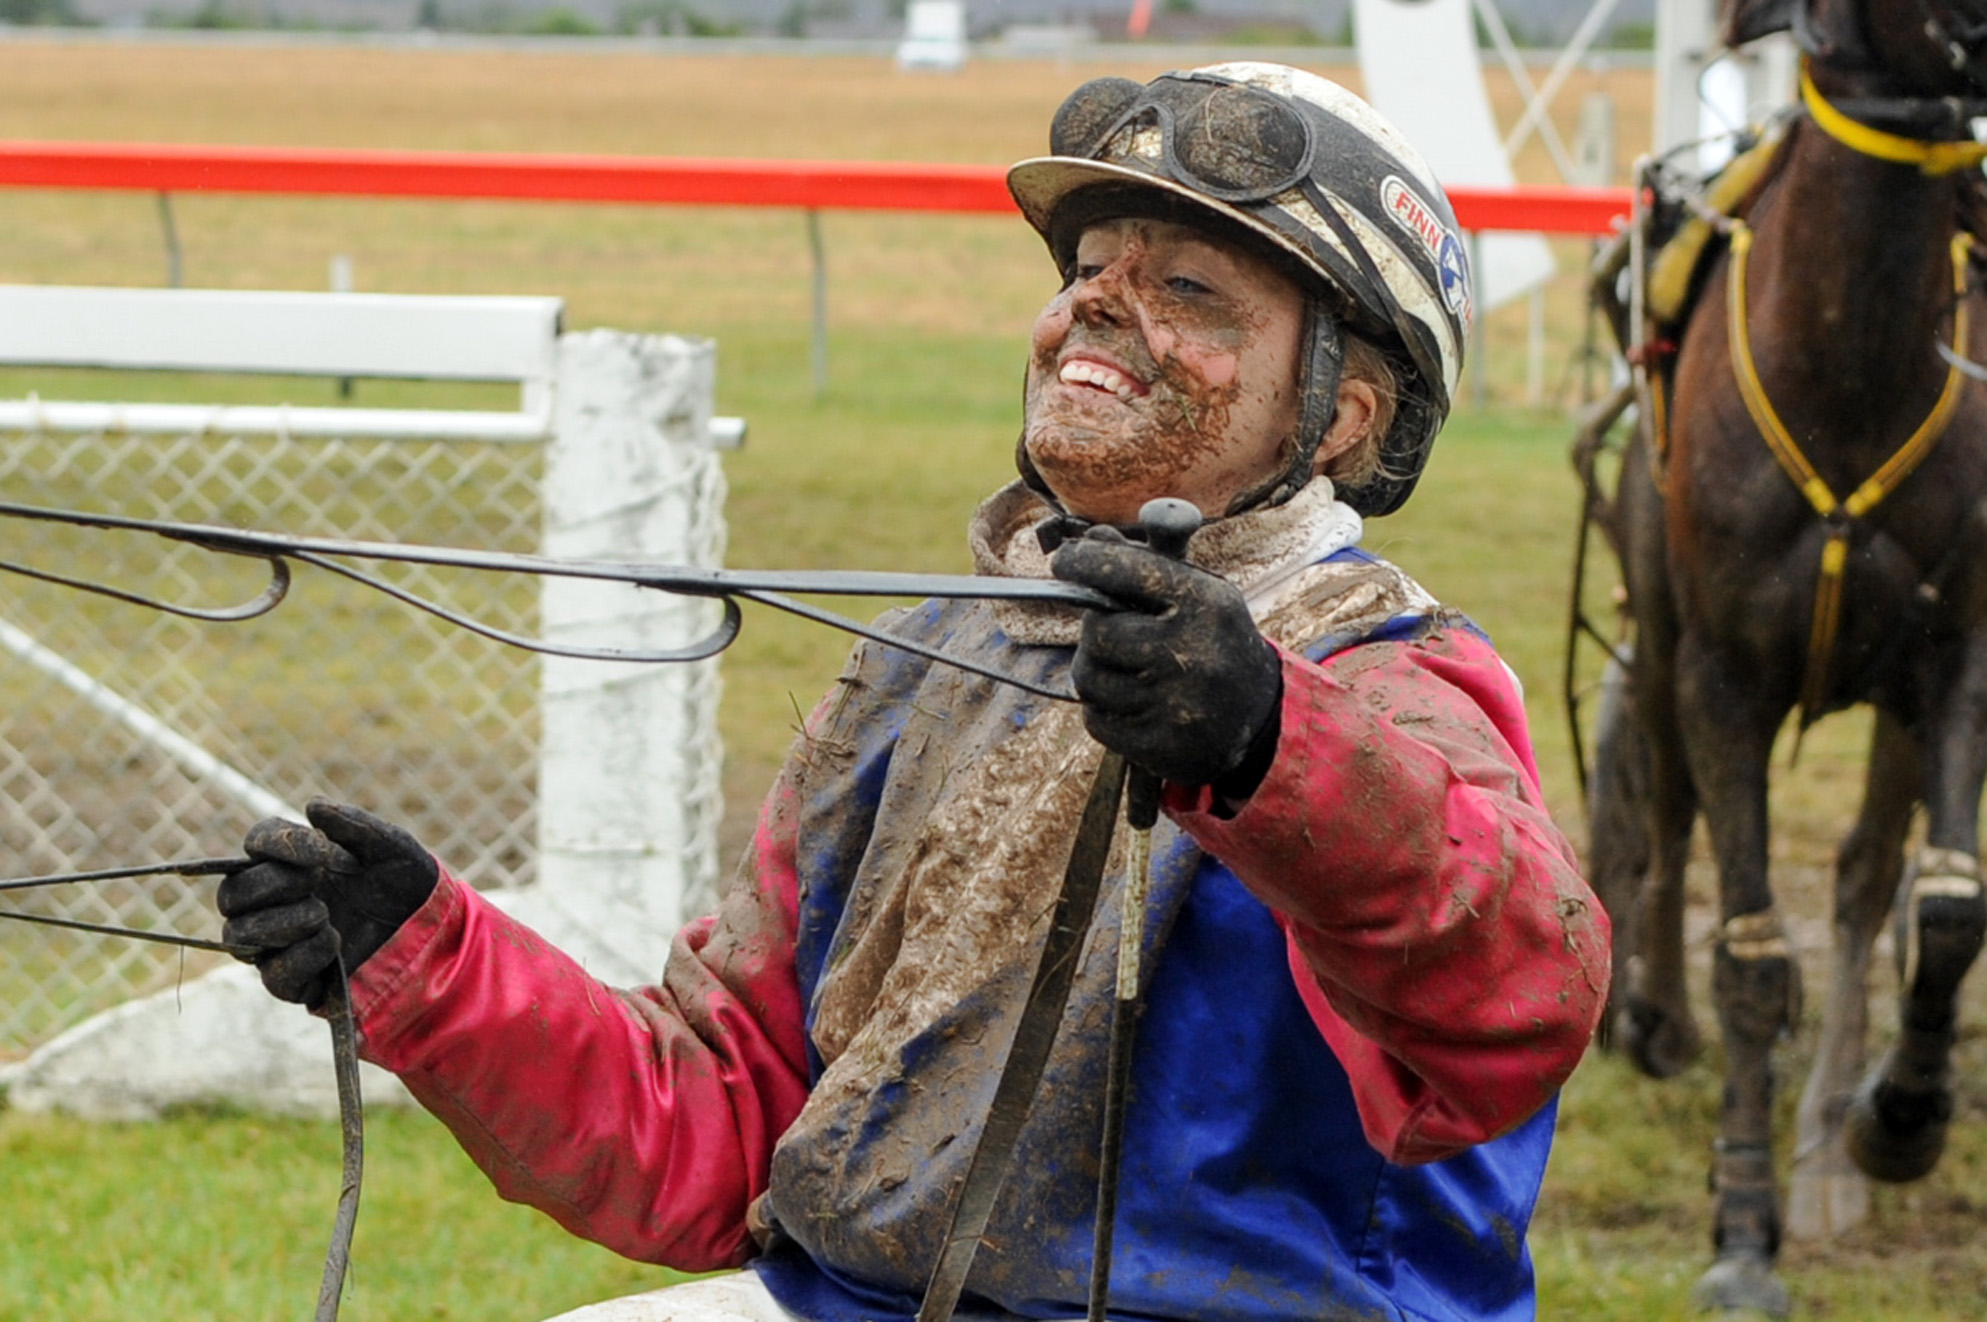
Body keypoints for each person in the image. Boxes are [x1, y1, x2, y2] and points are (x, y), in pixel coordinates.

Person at [219, 62, 1609, 1322]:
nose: (1098, 302)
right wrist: (429, 953)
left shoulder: (1388, 675)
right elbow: (719, 1118)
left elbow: (1522, 994)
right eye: (1092, 268)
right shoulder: (921, 664)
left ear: (1344, 413)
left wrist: (1259, 738)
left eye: (1190, 288)